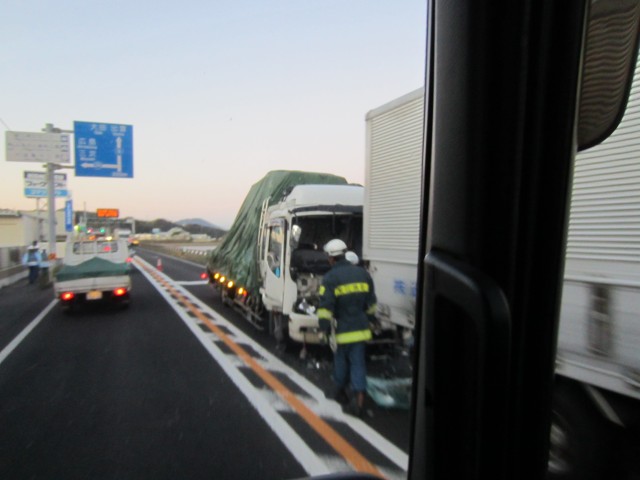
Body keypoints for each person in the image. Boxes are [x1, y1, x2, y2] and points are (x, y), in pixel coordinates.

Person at [317, 239, 377, 418]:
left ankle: (339, 392)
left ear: (331, 258)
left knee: (341, 362)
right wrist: (369, 319)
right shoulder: (363, 274)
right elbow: (372, 304)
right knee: (358, 365)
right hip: (361, 329)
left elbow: (326, 308)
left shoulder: (330, 278)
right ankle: (359, 403)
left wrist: (324, 329)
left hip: (342, 331)